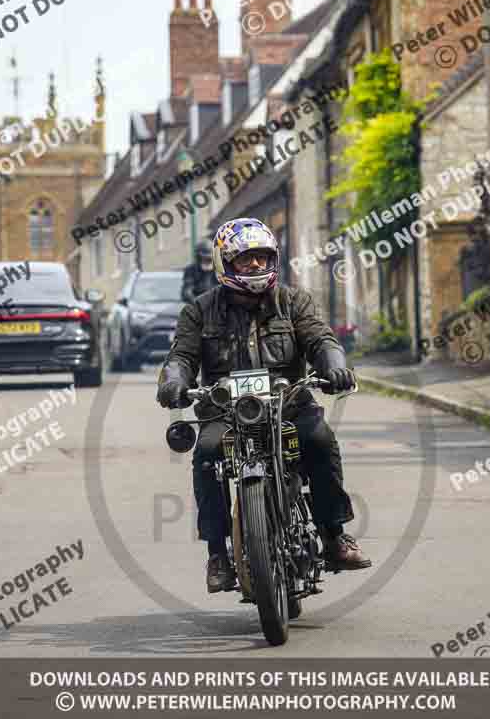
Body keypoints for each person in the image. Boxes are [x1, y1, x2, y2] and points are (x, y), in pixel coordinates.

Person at [157, 217, 371, 593]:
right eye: (244, 259)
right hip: (226, 413)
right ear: (226, 264)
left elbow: (320, 339)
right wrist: (174, 381)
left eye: (261, 257)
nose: (255, 265)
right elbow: (183, 356)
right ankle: (218, 554)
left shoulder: (293, 301)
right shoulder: (199, 310)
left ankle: (335, 536)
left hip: (289, 406)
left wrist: (335, 366)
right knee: (206, 455)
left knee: (320, 441)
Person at [181, 239, 218, 304]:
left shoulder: (220, 270)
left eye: (209, 259)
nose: (207, 261)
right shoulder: (191, 270)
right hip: (197, 304)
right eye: (204, 258)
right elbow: (186, 291)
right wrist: (198, 304)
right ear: (199, 258)